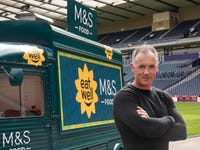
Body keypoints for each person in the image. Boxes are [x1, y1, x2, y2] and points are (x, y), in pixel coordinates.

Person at [113, 44, 187, 150]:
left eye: (151, 66)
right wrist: (169, 119)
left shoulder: (164, 97)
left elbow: (182, 132)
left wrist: (151, 126)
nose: (146, 72)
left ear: (157, 68)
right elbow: (146, 129)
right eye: (142, 66)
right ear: (132, 67)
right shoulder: (124, 97)